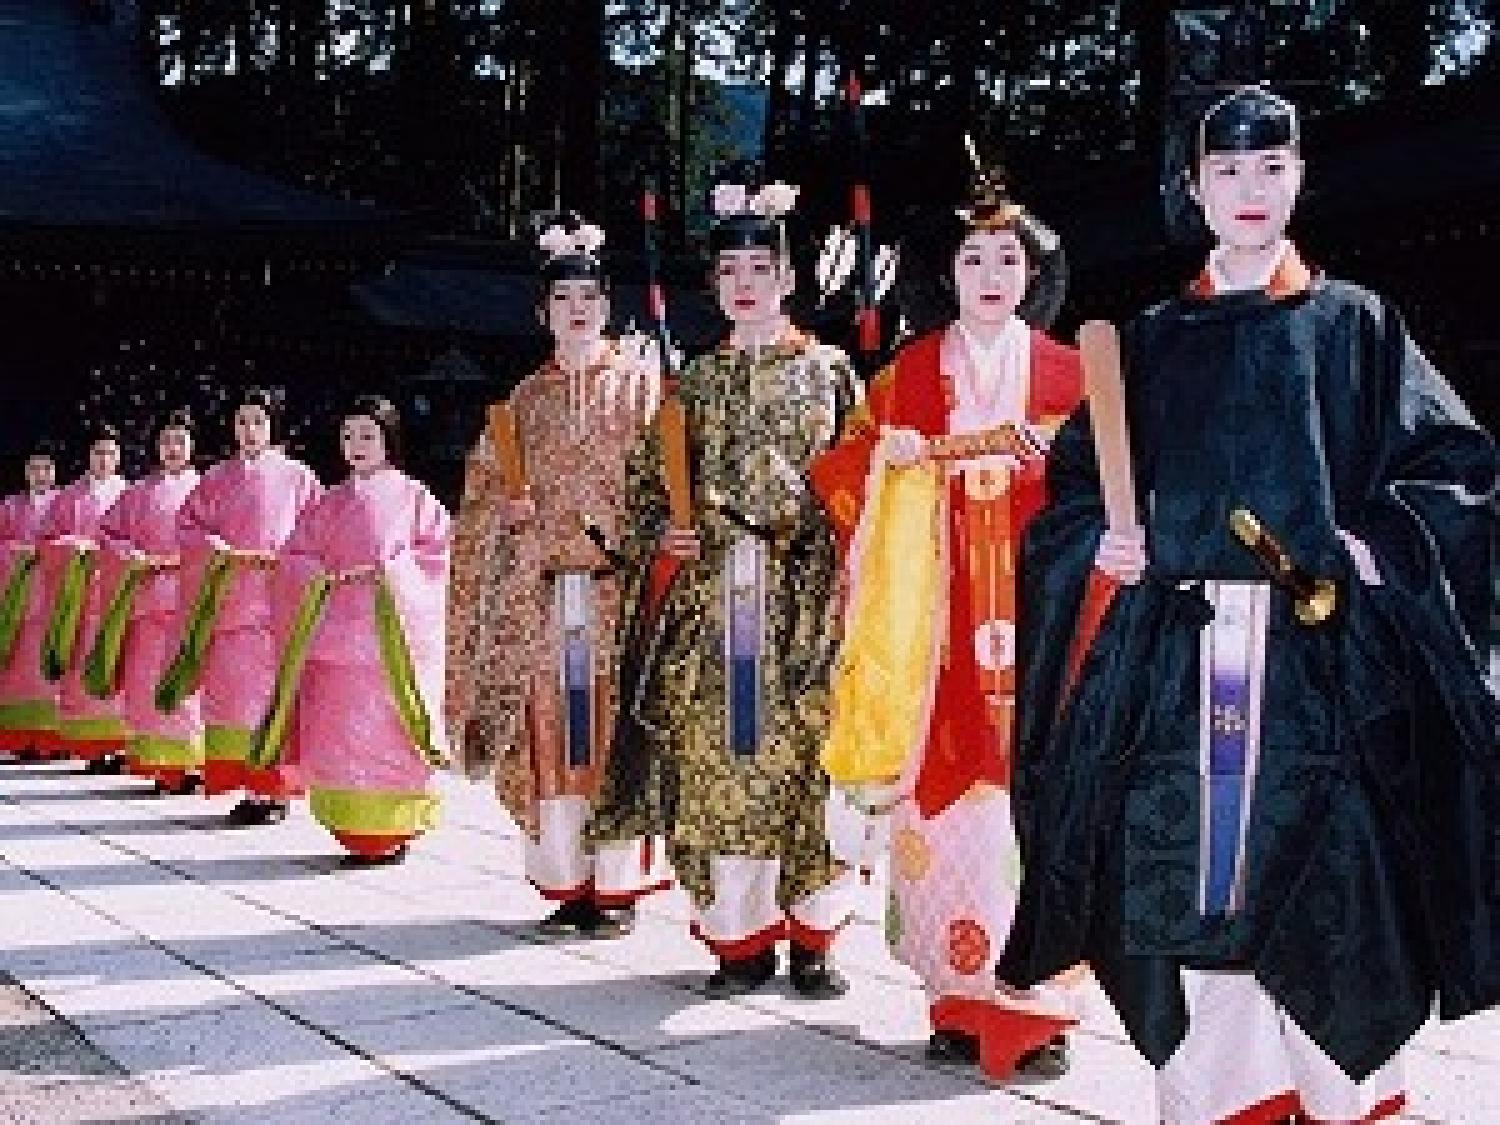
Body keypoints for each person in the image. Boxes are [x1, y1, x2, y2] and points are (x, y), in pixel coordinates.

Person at [995, 86, 1498, 1124]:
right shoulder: (1145, 342)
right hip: (1180, 671)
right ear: (1194, 188)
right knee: (1189, 905)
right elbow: (1073, 499)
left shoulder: (1356, 326)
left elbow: (1455, 468)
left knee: (1339, 897)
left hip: (1326, 674)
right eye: (1226, 171)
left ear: (1301, 175)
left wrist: (1371, 545)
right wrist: (1106, 547)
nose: (1251, 190)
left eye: (1272, 167)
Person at [810, 168, 1084, 1079]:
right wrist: (890, 463)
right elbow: (843, 471)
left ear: (1033, 273)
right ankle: (955, 996)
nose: (993, 273)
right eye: (974, 257)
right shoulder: (908, 375)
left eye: (1011, 257)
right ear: (949, 274)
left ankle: (1040, 1006)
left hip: (1045, 614)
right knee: (947, 811)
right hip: (935, 617)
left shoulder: (1072, 376)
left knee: (1036, 803)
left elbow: (1122, 488)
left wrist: (1068, 469)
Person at [589, 170, 861, 998]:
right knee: (718, 759)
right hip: (711, 596)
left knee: (806, 759)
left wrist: (841, 564)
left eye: (761, 270)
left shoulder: (830, 372)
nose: (745, 285)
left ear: (788, 276)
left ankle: (815, 933)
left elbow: (863, 484)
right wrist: (658, 532)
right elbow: (643, 490)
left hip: (799, 596)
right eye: (730, 272)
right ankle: (739, 937)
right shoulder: (694, 383)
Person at [448, 213, 669, 934]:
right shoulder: (525, 400)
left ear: (608, 306)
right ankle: (568, 883)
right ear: (544, 312)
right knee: (548, 731)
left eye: (592, 299)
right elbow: (481, 489)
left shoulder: (642, 388)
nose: (579, 311)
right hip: (543, 594)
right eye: (564, 301)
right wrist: (503, 511)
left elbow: (671, 485)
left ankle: (617, 886)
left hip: (616, 585)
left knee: (609, 728)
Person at [255, 396, 449, 864]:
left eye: (367, 435)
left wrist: (396, 573)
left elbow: (437, 553)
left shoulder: (415, 497)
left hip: (392, 640)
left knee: (389, 734)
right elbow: (295, 557)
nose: (357, 445)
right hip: (335, 638)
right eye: (348, 436)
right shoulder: (329, 503)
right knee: (340, 735)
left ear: (388, 439)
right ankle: (352, 828)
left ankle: (394, 828)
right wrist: (317, 576)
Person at [167, 388, 322, 826]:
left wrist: (290, 560)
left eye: (258, 421)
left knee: (272, 697)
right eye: (242, 421)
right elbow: (189, 526)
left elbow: (318, 532)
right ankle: (250, 784)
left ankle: (275, 787)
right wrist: (217, 550)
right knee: (234, 700)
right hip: (231, 601)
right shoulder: (216, 478)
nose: (250, 430)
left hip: (279, 600)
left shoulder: (299, 477)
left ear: (273, 426)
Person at [92, 409, 203, 794]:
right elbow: (107, 532)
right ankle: (158, 762)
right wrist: (129, 556)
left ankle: (190, 762)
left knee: (186, 682)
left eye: (180, 440)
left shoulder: (207, 488)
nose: (172, 448)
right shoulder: (137, 492)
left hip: (189, 595)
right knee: (145, 681)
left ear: (192, 445)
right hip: (145, 595)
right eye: (166, 440)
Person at [36, 424, 130, 771]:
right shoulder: (69, 497)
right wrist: (72, 547)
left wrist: (114, 552)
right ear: (88, 456)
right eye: (98, 452)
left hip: (117, 594)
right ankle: (91, 746)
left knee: (117, 664)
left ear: (119, 456)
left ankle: (120, 744)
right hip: (78, 597)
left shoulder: (129, 493)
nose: (103, 459)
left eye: (109, 452)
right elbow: (46, 541)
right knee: (80, 666)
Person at [0, 445, 62, 760]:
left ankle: (53, 738)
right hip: (18, 599)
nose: (40, 475)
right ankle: (17, 738)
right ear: (25, 473)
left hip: (54, 596)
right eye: (34, 469)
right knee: (19, 671)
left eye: (46, 469)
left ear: (54, 473)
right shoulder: (9, 506)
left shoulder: (64, 503)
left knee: (50, 669)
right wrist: (17, 552)